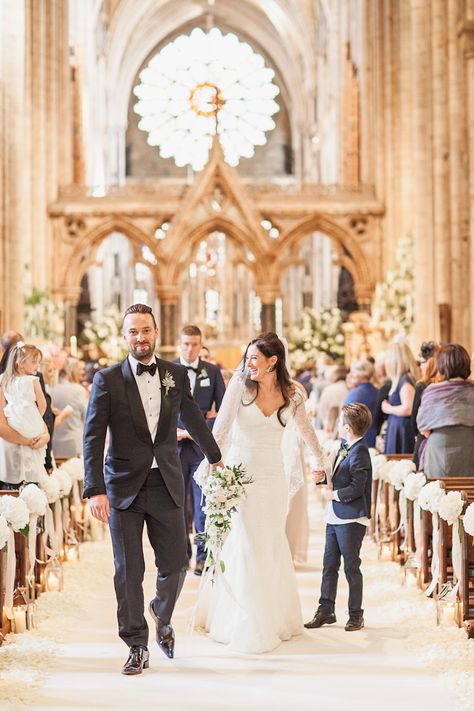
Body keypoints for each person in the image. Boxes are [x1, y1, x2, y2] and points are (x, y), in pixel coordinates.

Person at [83, 303, 222, 676]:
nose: (139, 338)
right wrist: (94, 489)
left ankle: (161, 612)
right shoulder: (107, 379)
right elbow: (93, 437)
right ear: (124, 336)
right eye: (133, 332)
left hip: (166, 482)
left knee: (176, 564)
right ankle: (136, 644)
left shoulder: (176, 374)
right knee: (128, 570)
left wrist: (216, 457)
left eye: (145, 330)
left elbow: (192, 416)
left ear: (156, 332)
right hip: (123, 486)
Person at [195, 332, 326, 654]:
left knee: (270, 543)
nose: (248, 364)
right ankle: (243, 619)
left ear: (273, 361)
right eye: (247, 358)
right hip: (241, 476)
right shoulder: (239, 387)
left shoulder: (293, 394)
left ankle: (275, 617)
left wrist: (318, 462)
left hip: (273, 478)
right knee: (247, 542)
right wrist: (215, 469)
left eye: (255, 358)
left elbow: (307, 432)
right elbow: (220, 430)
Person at [305, 403, 372, 633]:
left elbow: (357, 487)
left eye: (341, 424)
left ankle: (356, 615)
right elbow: (340, 477)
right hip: (335, 516)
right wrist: (323, 479)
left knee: (351, 567)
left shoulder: (360, 451)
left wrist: (331, 494)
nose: (338, 427)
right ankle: (326, 609)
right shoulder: (345, 447)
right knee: (329, 564)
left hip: (351, 518)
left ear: (348, 428)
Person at [174, 324, 226, 575]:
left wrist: (201, 428)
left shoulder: (212, 372)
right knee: (178, 505)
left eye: (195, 344)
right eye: (185, 344)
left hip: (201, 449)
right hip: (173, 448)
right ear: (179, 344)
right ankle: (182, 555)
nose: (190, 348)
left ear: (201, 344)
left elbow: (223, 413)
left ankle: (203, 556)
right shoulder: (167, 370)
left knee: (202, 503)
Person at [417, 343, 474, 477]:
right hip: (470, 446)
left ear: (441, 365)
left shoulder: (432, 391)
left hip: (439, 447)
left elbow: (423, 427)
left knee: (439, 493)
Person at [0, 342, 50, 487]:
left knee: (16, 465)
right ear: (21, 363)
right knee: (31, 460)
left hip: (13, 422)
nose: (37, 366)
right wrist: (36, 418)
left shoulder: (3, 379)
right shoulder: (33, 380)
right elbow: (43, 404)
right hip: (30, 424)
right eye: (34, 362)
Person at [382, 343, 419, 454]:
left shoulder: (405, 379)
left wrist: (388, 408)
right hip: (398, 428)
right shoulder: (402, 379)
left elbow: (408, 408)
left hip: (403, 430)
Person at [49, 357, 88, 457]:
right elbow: (87, 416)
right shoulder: (78, 390)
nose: (83, 372)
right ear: (71, 371)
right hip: (73, 444)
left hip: (53, 444)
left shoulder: (49, 388)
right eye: (80, 369)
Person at [411, 341, 440, 469]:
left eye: (422, 362)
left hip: (424, 436)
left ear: (430, 363)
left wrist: (415, 435)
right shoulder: (444, 384)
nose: (420, 367)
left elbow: (415, 417)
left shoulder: (422, 385)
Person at [343, 359, 379, 447]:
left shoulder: (356, 393)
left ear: (361, 374)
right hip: (371, 435)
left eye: (353, 372)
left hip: (356, 438)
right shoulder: (376, 390)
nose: (351, 375)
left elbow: (345, 418)